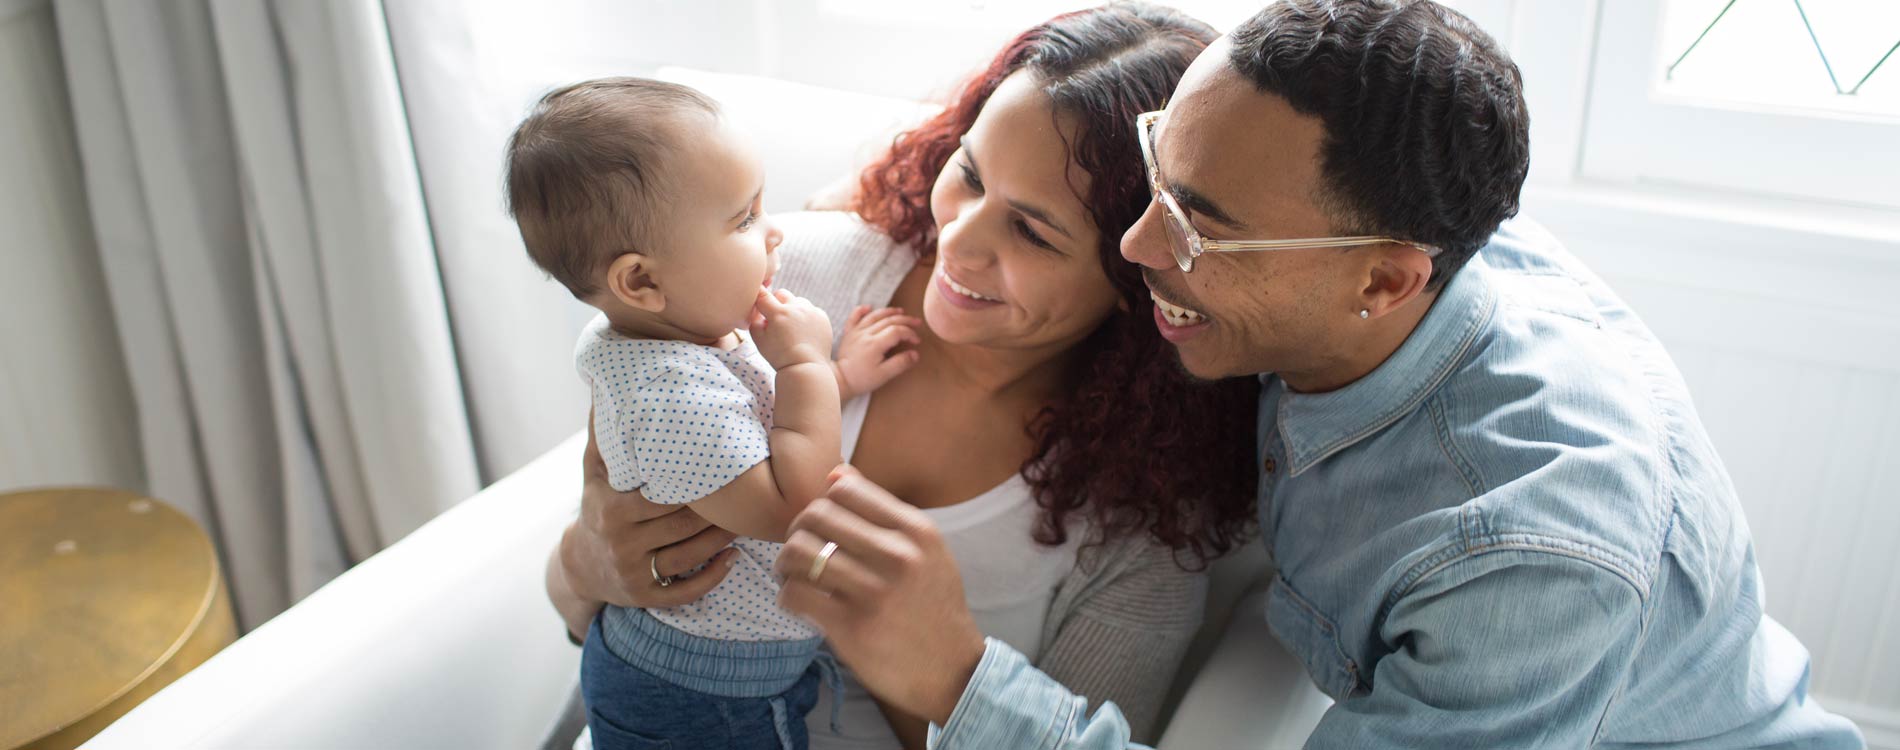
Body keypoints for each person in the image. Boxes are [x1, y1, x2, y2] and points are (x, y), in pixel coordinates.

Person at [766, 1, 1869, 748]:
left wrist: (954, 680)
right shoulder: (1373, 218)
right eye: (1160, 174)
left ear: (1383, 286)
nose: (1138, 248)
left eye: (1197, 228)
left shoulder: (1529, 555)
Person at [542, 6, 1261, 749]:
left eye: (1031, 230)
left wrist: (929, 667)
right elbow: (579, 604)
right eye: (971, 175)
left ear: (1135, 269)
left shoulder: (1144, 519)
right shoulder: (777, 280)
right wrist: (587, 565)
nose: (959, 239)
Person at [505, 77, 921, 749]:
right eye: (744, 219)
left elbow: (755, 425)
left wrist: (842, 374)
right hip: (702, 697)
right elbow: (797, 506)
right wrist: (807, 365)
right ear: (641, 281)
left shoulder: (678, 338)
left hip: (710, 673)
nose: (776, 230)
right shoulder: (665, 393)